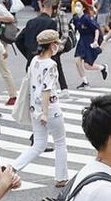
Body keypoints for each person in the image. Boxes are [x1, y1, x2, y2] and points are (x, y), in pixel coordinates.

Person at [9, 29, 71, 184]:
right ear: (52, 45)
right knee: (60, 141)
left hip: (34, 109)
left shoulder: (34, 61)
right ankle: (61, 178)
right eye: (56, 43)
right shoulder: (51, 65)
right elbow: (47, 90)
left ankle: (12, 168)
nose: (57, 46)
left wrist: (40, 112)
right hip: (50, 109)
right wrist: (45, 112)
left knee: (38, 145)